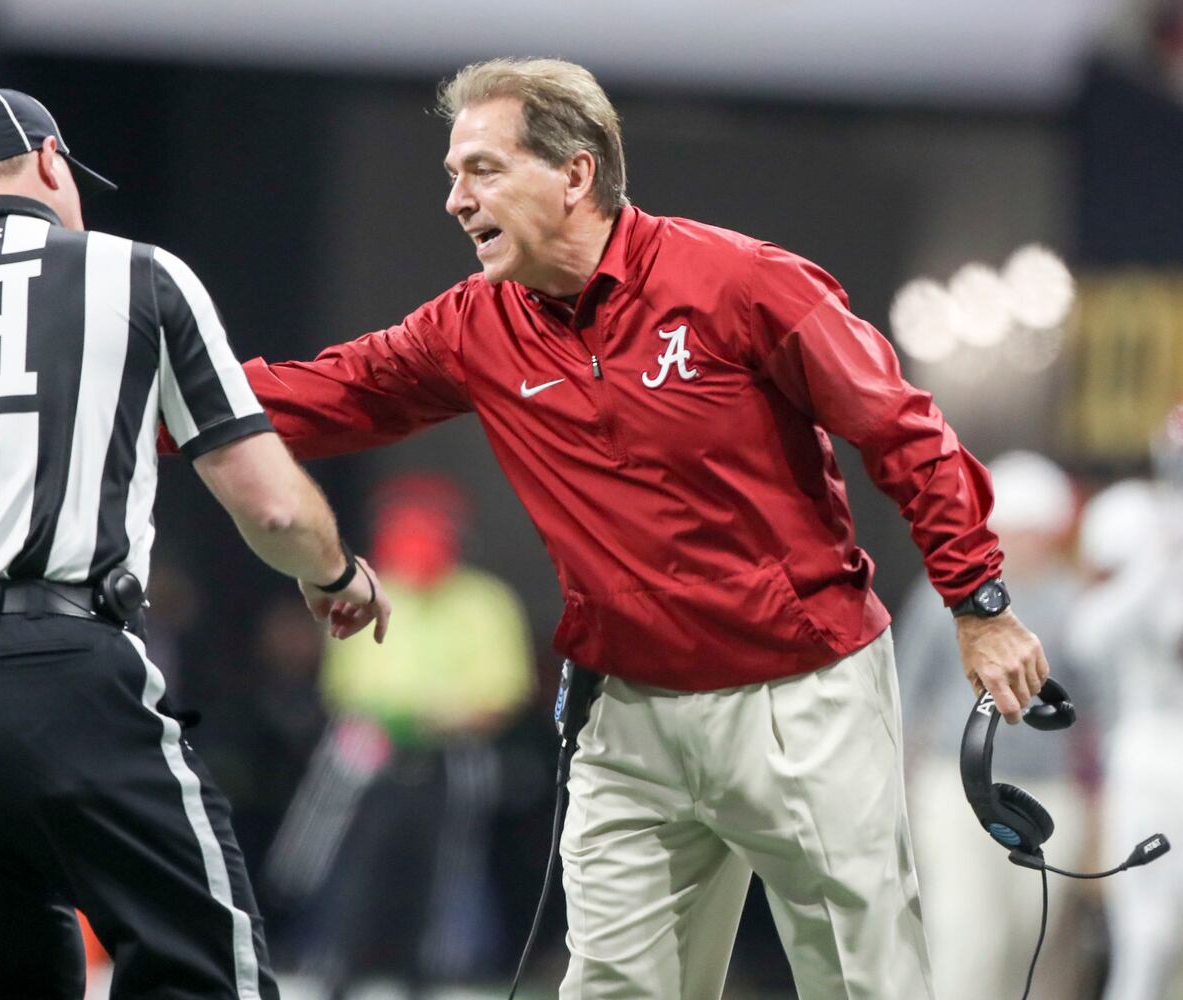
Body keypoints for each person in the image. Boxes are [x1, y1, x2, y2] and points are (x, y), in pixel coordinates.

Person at [239, 58, 1049, 999]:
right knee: (613, 987)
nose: (457, 200)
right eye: (453, 175)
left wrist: (980, 603)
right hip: (627, 714)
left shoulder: (741, 282)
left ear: (575, 174)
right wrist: (137, 383)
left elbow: (902, 430)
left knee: (863, 981)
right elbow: (315, 395)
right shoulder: (472, 327)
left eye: (483, 170)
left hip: (799, 692)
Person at [0, 86, 390, 1000]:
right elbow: (274, 508)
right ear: (50, 161)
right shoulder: (139, 276)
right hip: (65, 670)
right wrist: (334, 572)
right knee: (208, 975)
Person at [263, 472, 533, 997]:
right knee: (344, 858)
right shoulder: (368, 590)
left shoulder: (485, 602)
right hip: (371, 752)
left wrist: (435, 717)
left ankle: (432, 971)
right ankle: (331, 963)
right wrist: (382, 719)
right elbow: (343, 687)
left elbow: (504, 692)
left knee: (445, 869)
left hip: (451, 757)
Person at [896, 451, 1102, 1000]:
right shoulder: (946, 597)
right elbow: (907, 692)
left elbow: (1095, 714)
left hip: (1050, 792)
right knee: (965, 935)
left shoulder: (1076, 603)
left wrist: (1099, 806)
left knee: (1030, 941)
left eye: (1037, 530)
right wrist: (898, 788)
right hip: (955, 785)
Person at [1068, 466, 1183, 1000]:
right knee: (1146, 937)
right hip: (1148, 752)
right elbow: (1087, 638)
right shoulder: (1145, 525)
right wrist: (1162, 559)